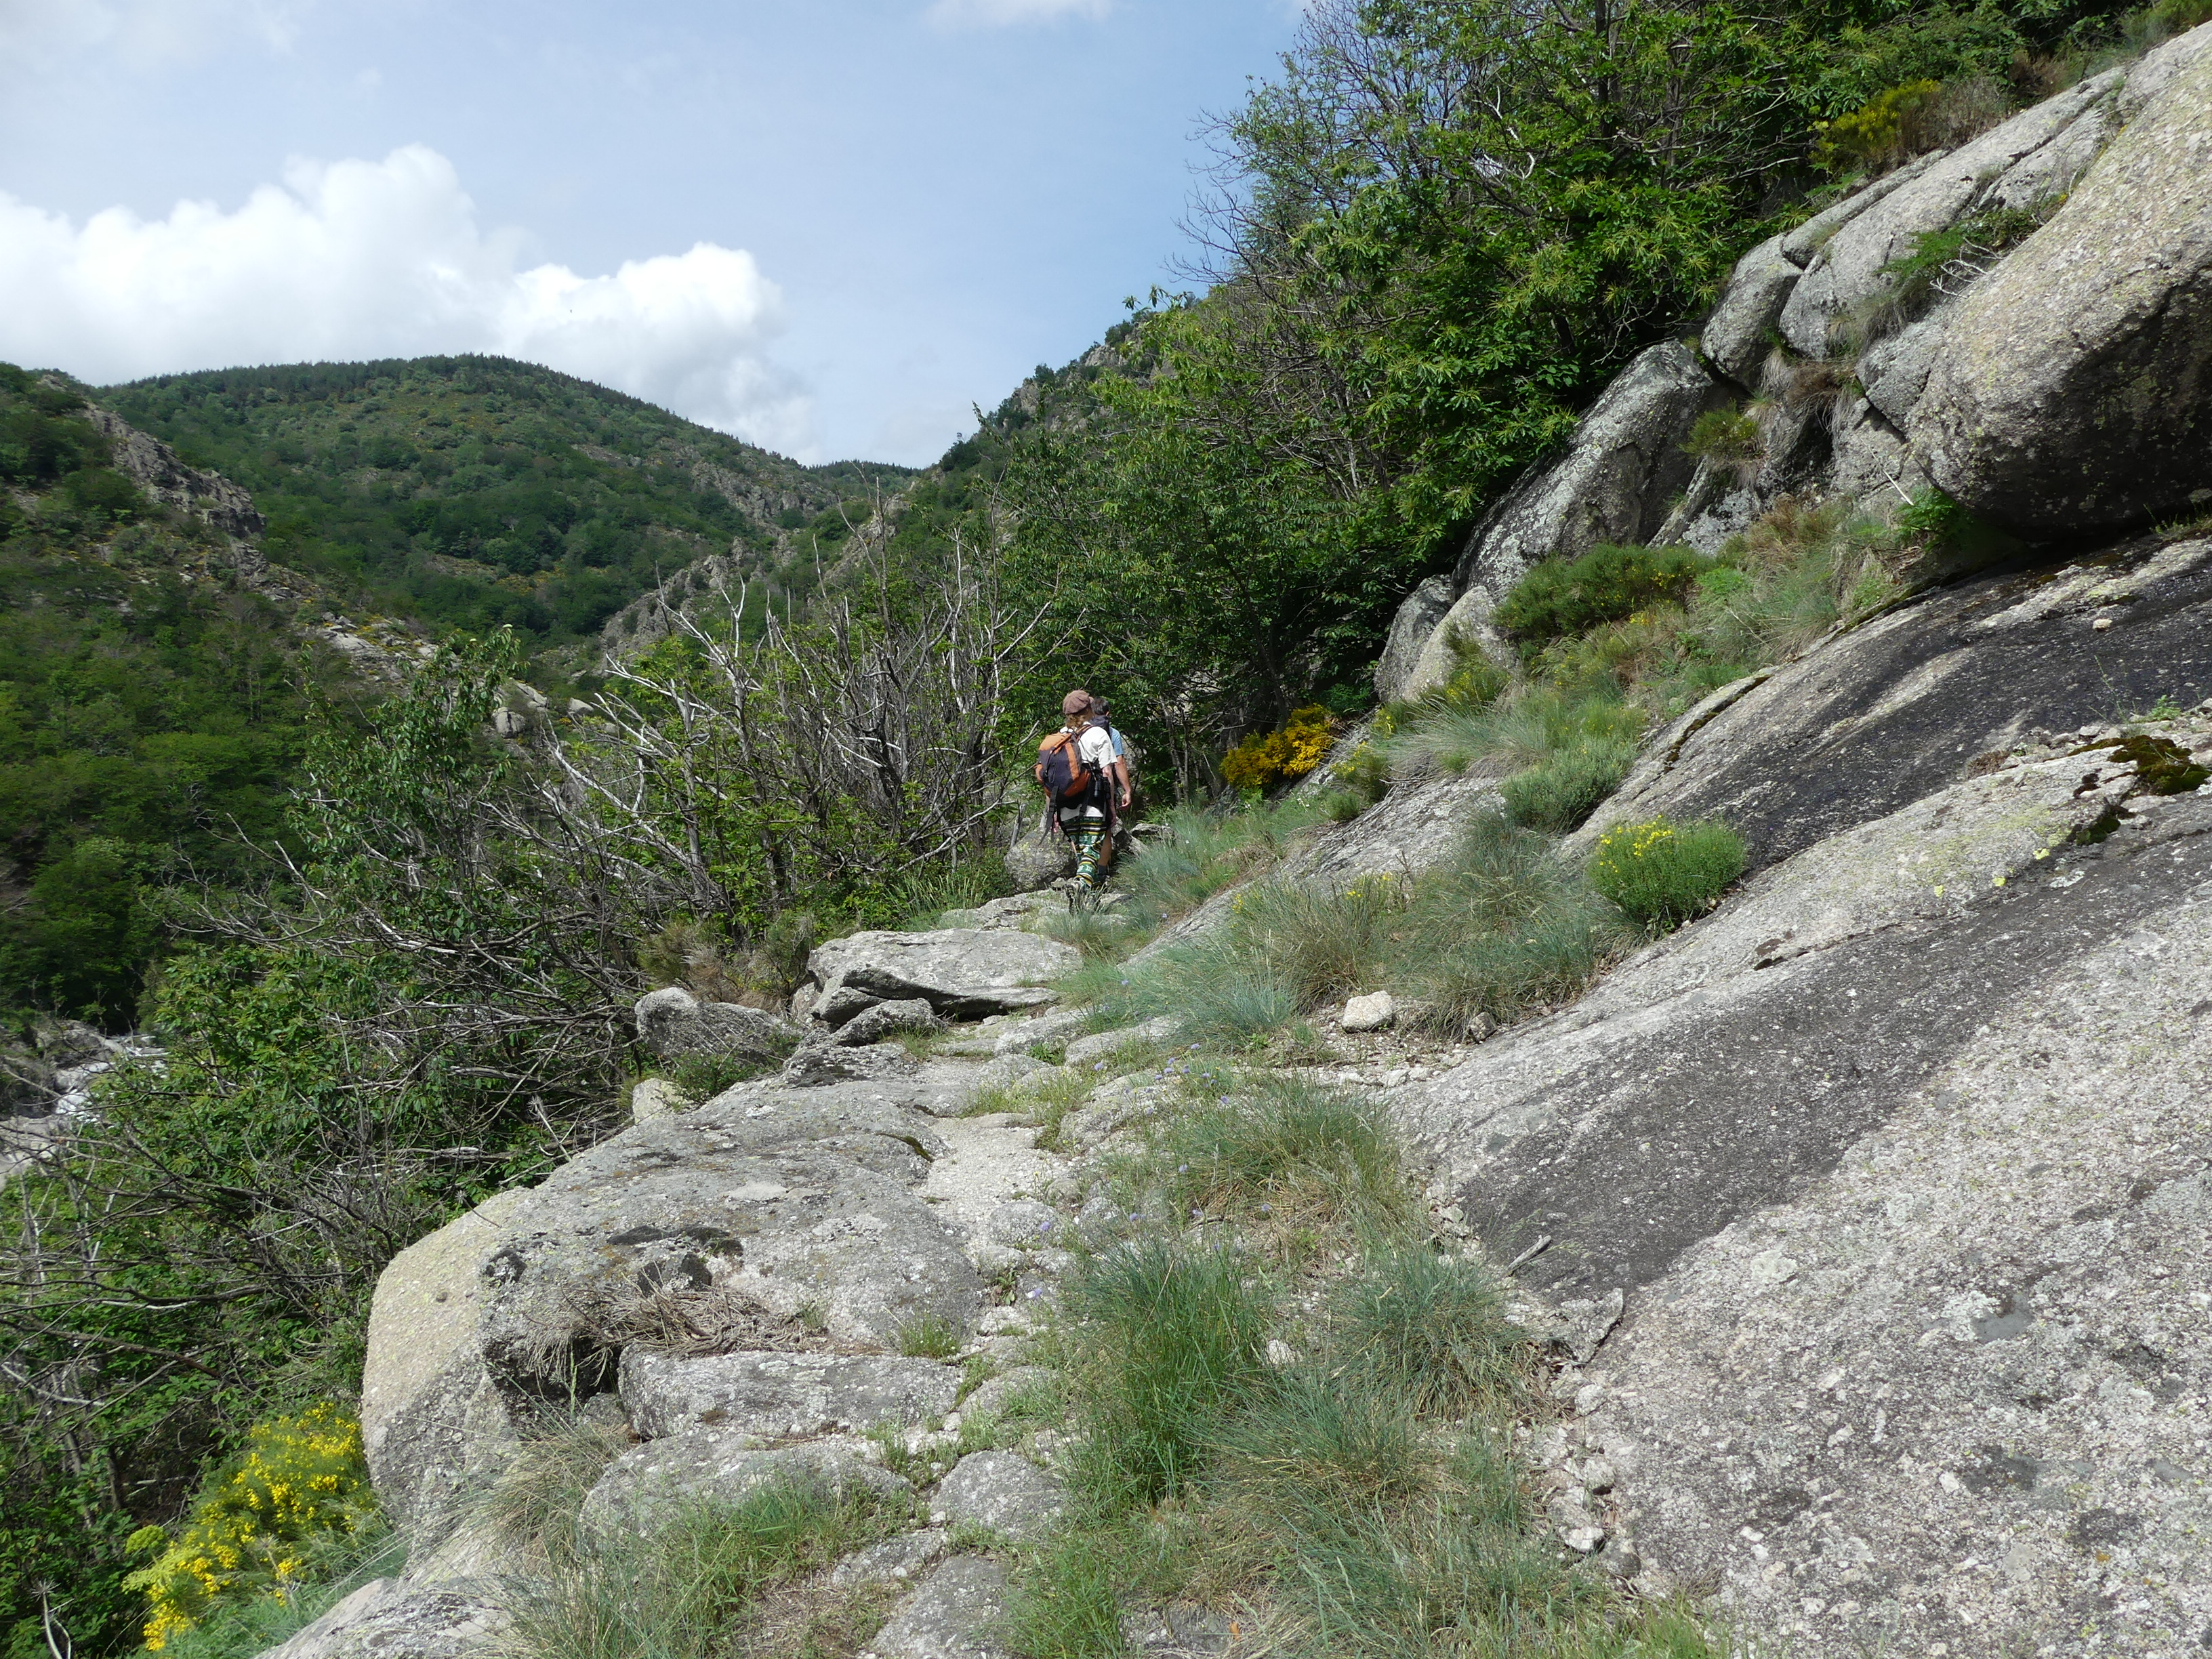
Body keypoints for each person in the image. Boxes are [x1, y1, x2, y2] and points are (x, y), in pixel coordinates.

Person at [1036, 689, 1118, 890]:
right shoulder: (1098, 733)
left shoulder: (1057, 740)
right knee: (1091, 847)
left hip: (1065, 804)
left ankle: (1089, 892)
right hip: (1093, 802)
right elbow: (1107, 772)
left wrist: (1052, 809)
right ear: (1089, 709)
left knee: (1082, 848)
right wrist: (1112, 807)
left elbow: (1049, 777)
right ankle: (1081, 884)